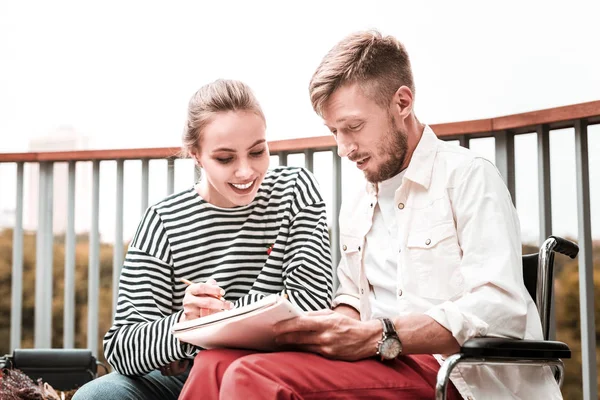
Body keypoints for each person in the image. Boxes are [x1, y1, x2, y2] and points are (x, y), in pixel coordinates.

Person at [178, 31, 562, 399]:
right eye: (334, 132)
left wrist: (382, 333)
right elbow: (351, 300)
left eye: (354, 128)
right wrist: (323, 326)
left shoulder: (468, 176)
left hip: (459, 376)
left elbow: (500, 307)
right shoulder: (359, 202)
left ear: (402, 102)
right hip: (378, 364)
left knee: (252, 377)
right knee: (216, 362)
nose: (344, 148)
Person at [72, 79, 333, 400]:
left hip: (276, 369)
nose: (246, 171)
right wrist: (185, 324)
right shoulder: (163, 221)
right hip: (190, 378)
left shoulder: (295, 190)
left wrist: (216, 322)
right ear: (196, 155)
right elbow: (123, 347)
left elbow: (312, 303)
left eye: (257, 152)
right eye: (225, 158)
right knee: (100, 395)